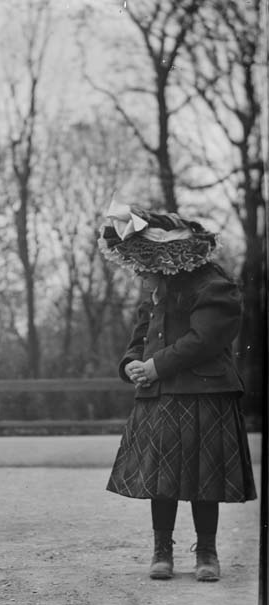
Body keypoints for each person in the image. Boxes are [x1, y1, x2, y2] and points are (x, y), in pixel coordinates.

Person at [98, 199, 256, 582]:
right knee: (160, 478)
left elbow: (204, 340)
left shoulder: (214, 285)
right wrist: (132, 363)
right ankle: (162, 551)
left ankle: (207, 552)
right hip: (160, 395)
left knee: (206, 480)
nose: (140, 273)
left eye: (146, 263)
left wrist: (155, 366)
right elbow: (140, 337)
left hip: (205, 394)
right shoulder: (156, 288)